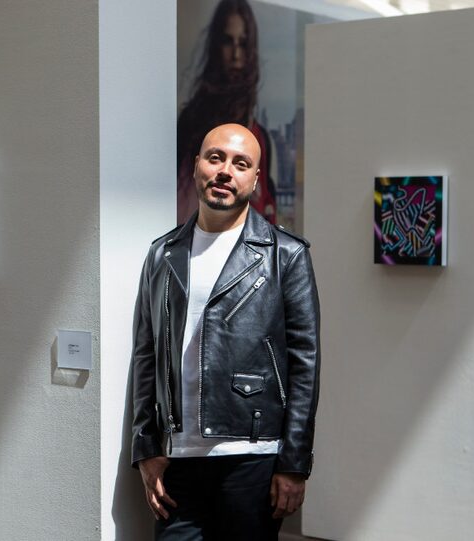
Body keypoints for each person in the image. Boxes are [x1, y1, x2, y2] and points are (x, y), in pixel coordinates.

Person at [131, 123, 320, 539]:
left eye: (240, 163)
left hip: (252, 454)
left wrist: (294, 462)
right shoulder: (163, 253)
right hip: (177, 457)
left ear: (255, 179)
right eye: (215, 157)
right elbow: (146, 353)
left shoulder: (285, 255)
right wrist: (146, 447)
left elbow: (304, 363)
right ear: (196, 165)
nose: (224, 171)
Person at [177, 0, 278, 225]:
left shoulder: (259, 137)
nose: (235, 55)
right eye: (228, 42)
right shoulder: (191, 123)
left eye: (242, 44)